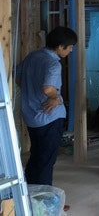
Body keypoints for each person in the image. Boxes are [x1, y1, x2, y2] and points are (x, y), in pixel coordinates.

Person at [16, 26, 78, 185]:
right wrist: (56, 97)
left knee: (36, 156)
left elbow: (18, 78)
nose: (71, 50)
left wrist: (31, 91)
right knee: (46, 162)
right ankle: (44, 197)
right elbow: (47, 88)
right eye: (70, 47)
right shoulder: (53, 64)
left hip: (31, 116)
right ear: (60, 47)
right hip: (49, 117)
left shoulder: (33, 56)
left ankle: (29, 192)